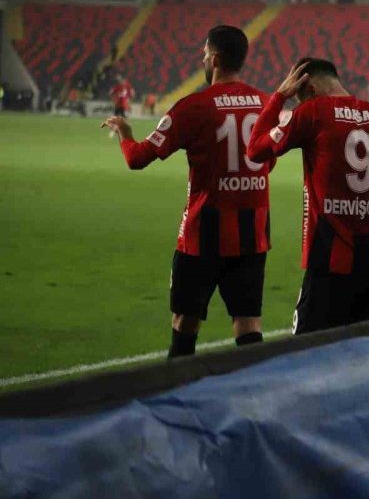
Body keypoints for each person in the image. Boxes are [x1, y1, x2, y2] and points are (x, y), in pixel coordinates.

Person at [102, 26, 272, 358]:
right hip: (253, 234)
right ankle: (256, 395)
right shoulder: (266, 104)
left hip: (202, 233)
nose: (203, 59)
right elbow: (268, 160)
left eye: (205, 54)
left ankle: (176, 397)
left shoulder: (193, 106)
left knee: (185, 321)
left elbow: (137, 159)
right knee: (249, 324)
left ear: (217, 58)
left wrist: (124, 132)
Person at [246, 58, 369, 334]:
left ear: (309, 89)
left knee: (308, 355)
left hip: (328, 261)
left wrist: (279, 97)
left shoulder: (312, 112)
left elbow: (255, 150)